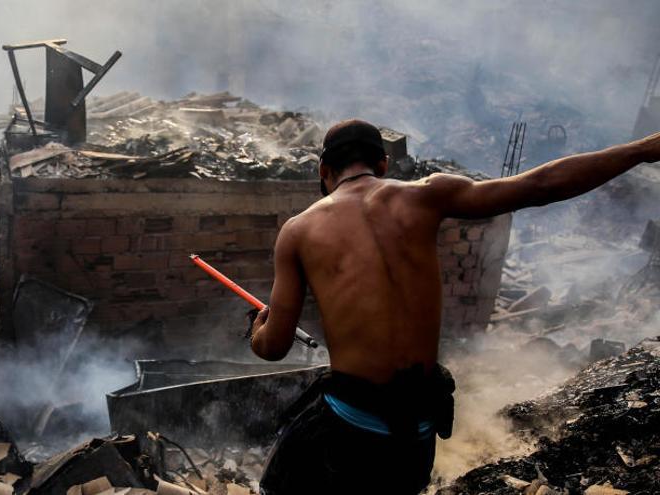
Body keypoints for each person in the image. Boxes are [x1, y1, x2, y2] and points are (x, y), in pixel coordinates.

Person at [249, 119, 660, 494]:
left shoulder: (298, 231)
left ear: (324, 172)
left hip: (352, 427)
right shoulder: (428, 195)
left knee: (279, 480)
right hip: (418, 430)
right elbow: (542, 185)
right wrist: (641, 149)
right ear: (382, 162)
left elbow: (274, 347)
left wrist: (260, 327)